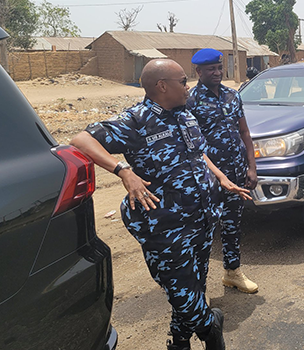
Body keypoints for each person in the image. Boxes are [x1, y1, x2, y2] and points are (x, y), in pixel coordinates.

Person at [70, 59, 251, 350]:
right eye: (182, 81)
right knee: (180, 290)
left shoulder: (186, 114)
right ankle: (210, 328)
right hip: (165, 225)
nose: (188, 86)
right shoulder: (136, 121)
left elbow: (198, 154)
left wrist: (221, 178)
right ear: (162, 86)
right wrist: (123, 171)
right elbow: (80, 140)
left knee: (194, 286)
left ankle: (179, 342)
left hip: (201, 218)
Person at [187, 48, 259, 294]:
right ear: (199, 71)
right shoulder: (190, 100)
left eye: (219, 68)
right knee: (203, 231)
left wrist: (252, 166)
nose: (217, 72)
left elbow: (244, 132)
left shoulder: (232, 95)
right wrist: (218, 175)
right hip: (207, 178)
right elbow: (193, 147)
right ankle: (198, 288)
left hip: (237, 173)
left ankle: (233, 272)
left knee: (232, 226)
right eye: (211, 69)